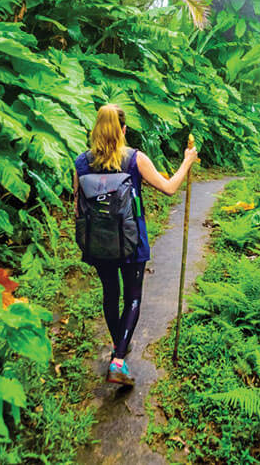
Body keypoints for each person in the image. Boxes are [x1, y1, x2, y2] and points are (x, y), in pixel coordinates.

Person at [74, 104, 198, 386]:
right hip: (132, 241)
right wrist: (187, 161)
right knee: (132, 297)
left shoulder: (81, 162)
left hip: (98, 243)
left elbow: (77, 210)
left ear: (96, 129)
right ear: (123, 130)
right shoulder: (134, 159)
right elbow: (168, 188)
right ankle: (119, 359)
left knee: (110, 293)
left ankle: (120, 345)